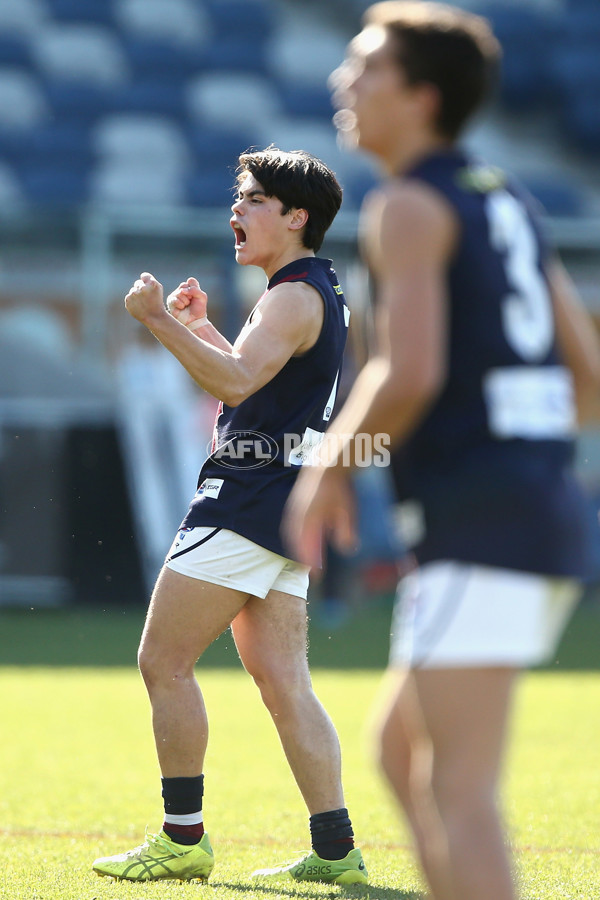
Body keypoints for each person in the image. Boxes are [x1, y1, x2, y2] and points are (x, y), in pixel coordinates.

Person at [284, 5, 600, 900]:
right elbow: (588, 374)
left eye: (368, 68)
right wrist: (515, 454)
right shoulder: (505, 196)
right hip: (525, 514)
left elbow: (408, 370)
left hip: (484, 524)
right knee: (401, 754)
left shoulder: (409, 205)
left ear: (421, 97)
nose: (346, 81)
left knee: (456, 790)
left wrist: (330, 465)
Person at [92, 147, 367, 886]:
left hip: (246, 498)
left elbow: (238, 380)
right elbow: (251, 381)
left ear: (295, 216)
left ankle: (183, 839)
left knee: (162, 660)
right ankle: (336, 850)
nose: (236, 212)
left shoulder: (289, 296)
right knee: (285, 681)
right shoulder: (312, 290)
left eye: (252, 200)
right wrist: (206, 330)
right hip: (283, 502)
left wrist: (156, 322)